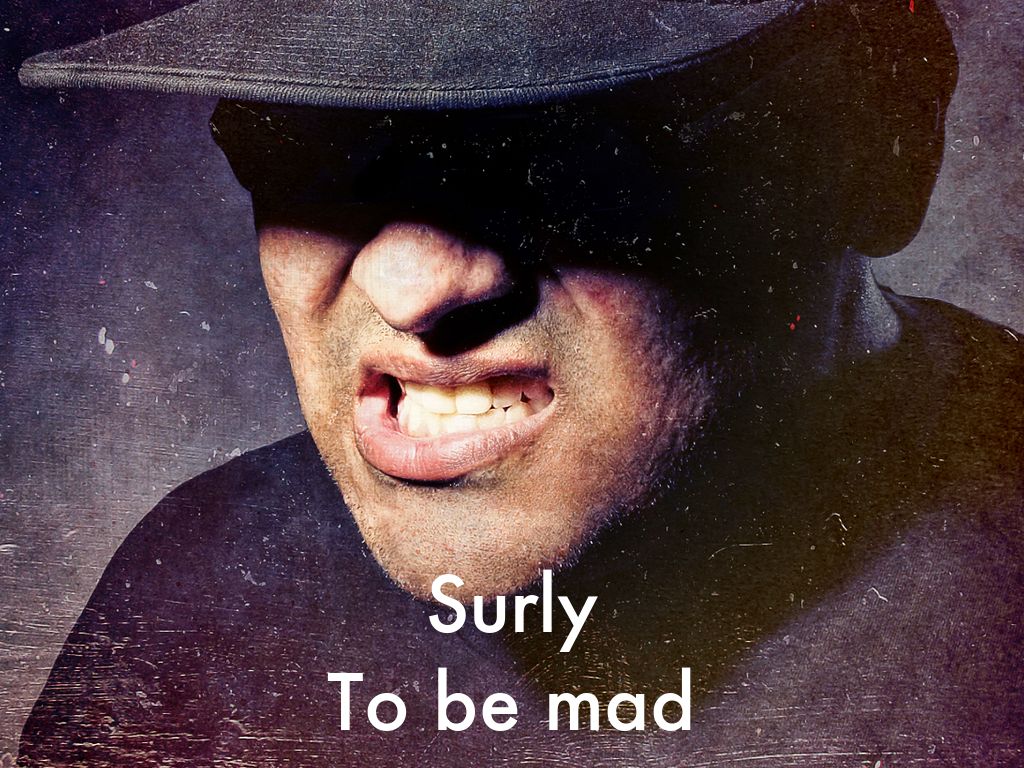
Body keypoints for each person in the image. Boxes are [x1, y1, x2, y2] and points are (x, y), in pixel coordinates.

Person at [16, 0, 1023, 765]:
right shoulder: (200, 589)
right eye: (302, 147)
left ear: (880, 142)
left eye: (569, 147)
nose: (409, 286)